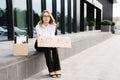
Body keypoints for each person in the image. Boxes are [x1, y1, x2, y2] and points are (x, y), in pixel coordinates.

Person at [34, 10, 61, 78]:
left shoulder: (52, 26)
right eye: (44, 16)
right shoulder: (38, 26)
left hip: (48, 42)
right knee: (47, 47)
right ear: (42, 17)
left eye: (48, 16)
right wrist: (44, 38)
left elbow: (51, 37)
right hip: (39, 44)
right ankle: (51, 70)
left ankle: (57, 69)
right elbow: (41, 39)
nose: (46, 17)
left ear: (50, 17)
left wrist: (55, 42)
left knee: (54, 48)